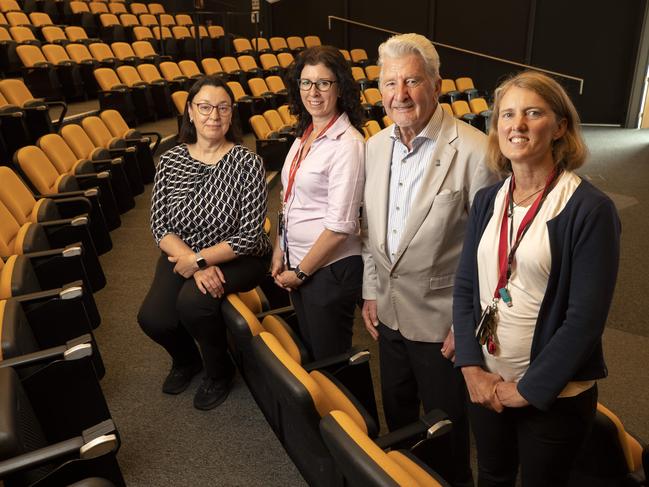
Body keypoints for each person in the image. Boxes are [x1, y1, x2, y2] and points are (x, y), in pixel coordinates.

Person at [453, 71, 621, 487]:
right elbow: (465, 288)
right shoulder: (488, 199)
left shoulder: (589, 209)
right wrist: (472, 368)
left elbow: (585, 320)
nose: (518, 125)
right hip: (488, 383)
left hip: (553, 396)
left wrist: (527, 391)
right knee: (492, 475)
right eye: (507, 115)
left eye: (533, 113)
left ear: (560, 126)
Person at [361, 33, 496, 487]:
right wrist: (370, 290)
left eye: (412, 81)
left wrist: (469, 322)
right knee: (399, 417)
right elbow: (369, 233)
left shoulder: (476, 152)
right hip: (389, 313)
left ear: (436, 86)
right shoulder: (374, 147)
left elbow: (493, 252)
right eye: (390, 83)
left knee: (445, 429)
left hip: (444, 325)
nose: (400, 95)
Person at [137, 75, 272, 411]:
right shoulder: (170, 161)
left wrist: (200, 262)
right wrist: (192, 260)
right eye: (205, 107)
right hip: (183, 253)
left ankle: (218, 372)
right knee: (152, 319)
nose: (214, 115)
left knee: (193, 304)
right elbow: (159, 225)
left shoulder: (248, 163)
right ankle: (186, 360)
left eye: (223, 108)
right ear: (190, 112)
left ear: (231, 114)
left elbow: (249, 236)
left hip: (241, 257)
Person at [271, 45, 365, 361]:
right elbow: (289, 199)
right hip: (299, 263)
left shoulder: (348, 144)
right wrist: (279, 251)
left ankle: (346, 412)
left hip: (328, 271)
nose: (314, 92)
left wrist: (300, 273)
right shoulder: (305, 134)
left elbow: (340, 228)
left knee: (331, 362)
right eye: (306, 82)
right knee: (311, 352)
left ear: (340, 88)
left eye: (324, 83)